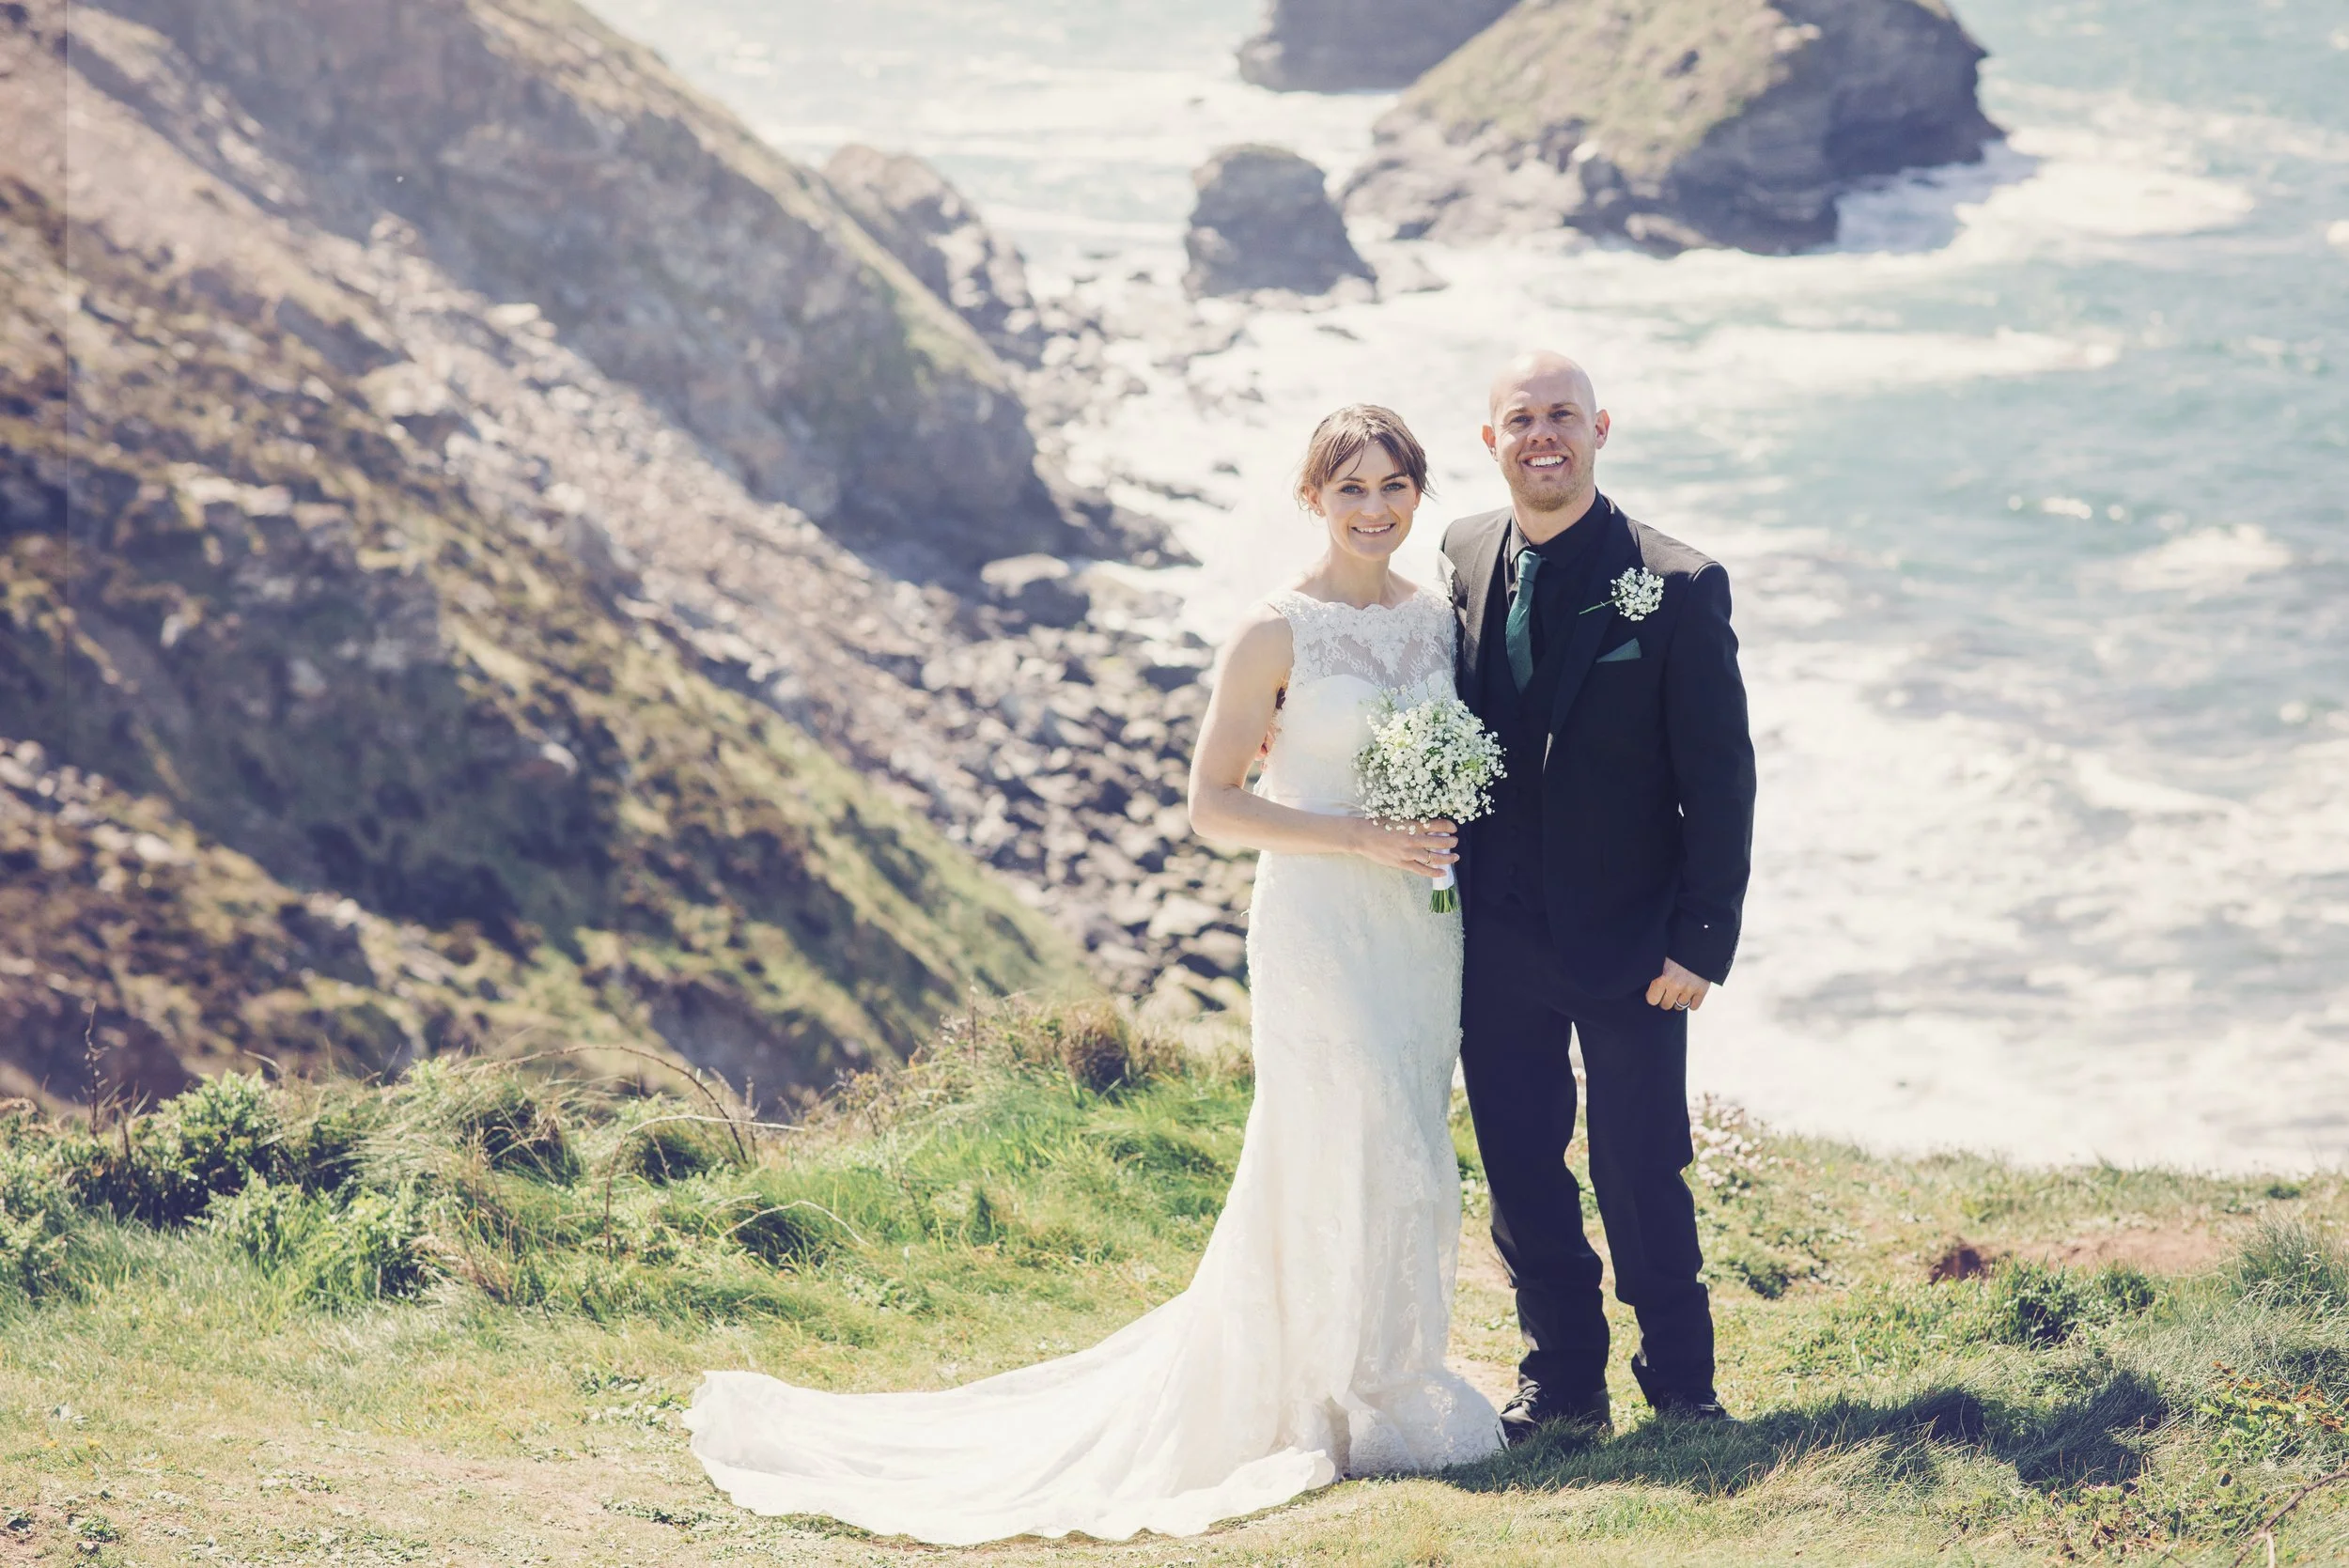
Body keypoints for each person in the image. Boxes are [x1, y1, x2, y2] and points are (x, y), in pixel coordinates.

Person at [682, 405, 1501, 1545]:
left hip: (1420, 921)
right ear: (1310, 497)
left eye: (1394, 485)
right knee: (1333, 1124)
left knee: (1407, 1132)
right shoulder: (1275, 632)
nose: (1375, 507)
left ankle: (1390, 1369)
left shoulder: (1437, 623)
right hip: (1320, 916)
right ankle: (1318, 1392)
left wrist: (1427, 819)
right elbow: (1211, 805)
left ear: (1418, 492)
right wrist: (1359, 834)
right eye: (1350, 487)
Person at [1439, 350, 1757, 1443]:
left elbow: (1720, 776)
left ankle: (1682, 1381)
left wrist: (1701, 941)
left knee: (1639, 1166)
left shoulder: (1675, 582)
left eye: (1561, 416)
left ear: (1600, 429)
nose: (1542, 435)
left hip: (1631, 944)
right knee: (1522, 1164)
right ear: (1490, 443)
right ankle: (1561, 1377)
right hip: (1492, 934)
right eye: (1520, 418)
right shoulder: (1463, 551)